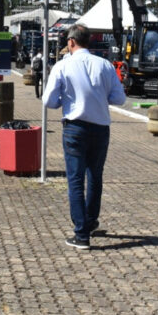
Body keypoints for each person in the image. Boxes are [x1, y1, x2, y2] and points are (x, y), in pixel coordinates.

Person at [42, 23, 126, 250]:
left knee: (76, 180)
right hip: (100, 127)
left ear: (71, 42)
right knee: (95, 177)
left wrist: (65, 101)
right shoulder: (106, 65)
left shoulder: (62, 66)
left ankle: (81, 234)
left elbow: (48, 101)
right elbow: (119, 99)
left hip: (75, 127)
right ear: (88, 41)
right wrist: (99, 97)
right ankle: (90, 222)